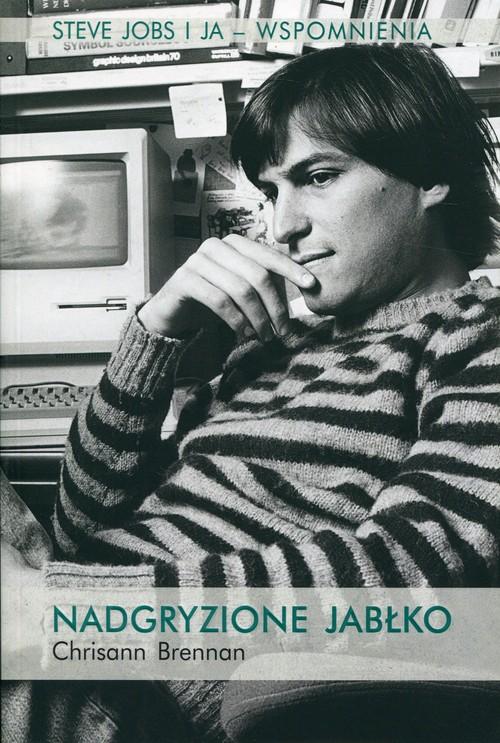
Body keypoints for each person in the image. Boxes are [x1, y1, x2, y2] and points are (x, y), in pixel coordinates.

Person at [2, 44, 499, 742]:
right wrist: (156, 335)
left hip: (131, 695)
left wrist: (64, 614)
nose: (281, 226)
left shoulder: (478, 337)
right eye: (271, 193)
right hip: (59, 646)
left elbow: (410, 577)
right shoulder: (271, 344)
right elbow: (81, 535)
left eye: (318, 177)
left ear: (431, 174)